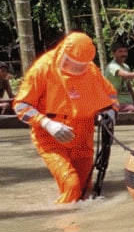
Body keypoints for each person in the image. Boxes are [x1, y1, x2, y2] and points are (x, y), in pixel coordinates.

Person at [13, 32, 118, 203]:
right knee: (71, 186)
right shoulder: (42, 69)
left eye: (80, 66)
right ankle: (64, 225)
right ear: (63, 54)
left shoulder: (91, 70)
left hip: (83, 136)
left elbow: (110, 96)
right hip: (51, 138)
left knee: (85, 190)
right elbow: (21, 106)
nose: (75, 70)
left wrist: (111, 111)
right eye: (71, 64)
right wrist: (47, 123)